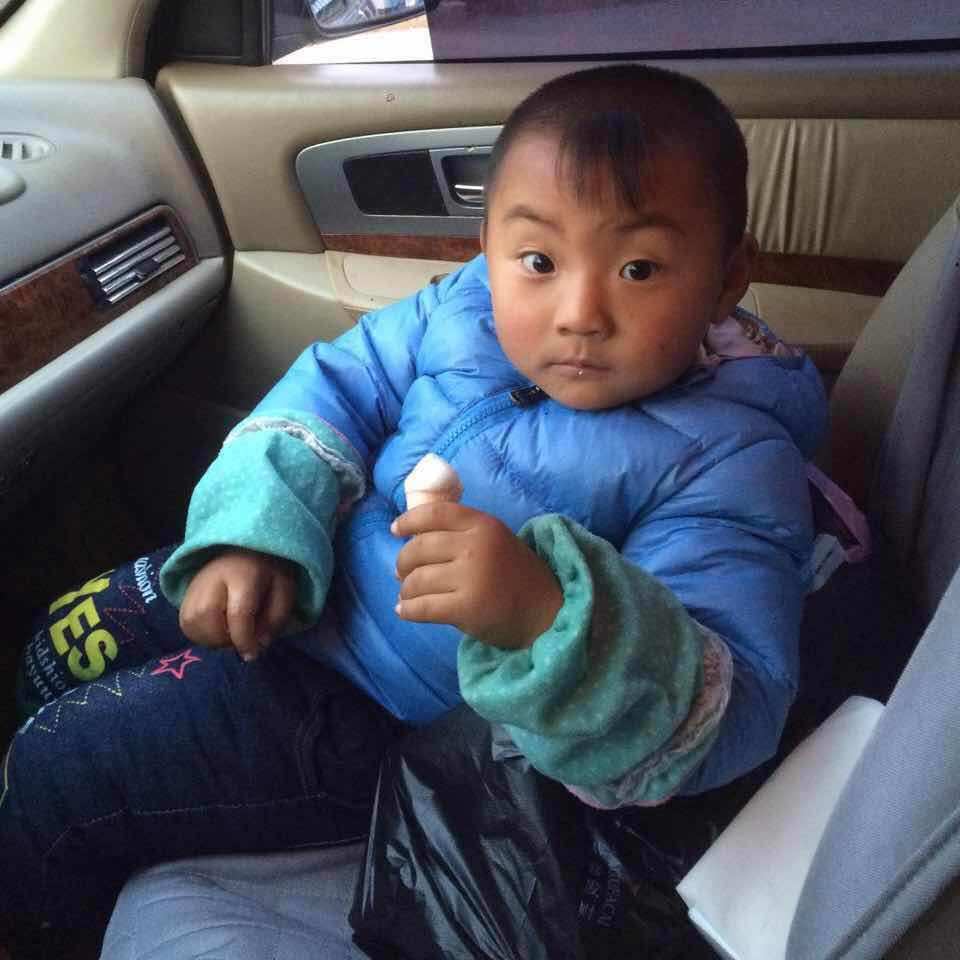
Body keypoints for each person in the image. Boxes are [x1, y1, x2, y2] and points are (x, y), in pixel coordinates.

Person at [0, 63, 826, 946]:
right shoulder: (466, 308)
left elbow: (730, 706)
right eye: (539, 261)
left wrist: (544, 616)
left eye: (639, 268)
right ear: (489, 244)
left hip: (366, 713)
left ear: (727, 278)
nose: (580, 311)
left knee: (60, 770)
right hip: (299, 570)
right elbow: (342, 381)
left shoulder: (733, 459)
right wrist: (257, 529)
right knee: (61, 639)